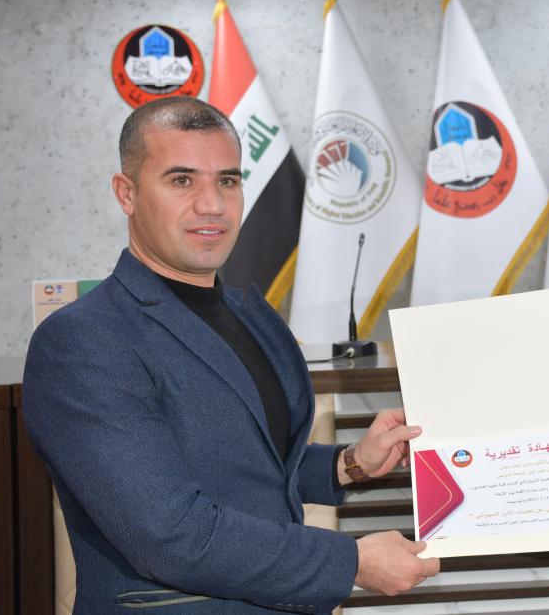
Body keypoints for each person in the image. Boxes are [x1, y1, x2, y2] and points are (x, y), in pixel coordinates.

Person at [22, 96, 440, 613]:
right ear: (126, 193)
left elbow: (244, 466)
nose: (212, 205)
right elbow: (168, 534)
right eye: (181, 180)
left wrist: (351, 463)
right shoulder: (83, 340)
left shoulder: (249, 316)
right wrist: (351, 562)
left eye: (227, 180)